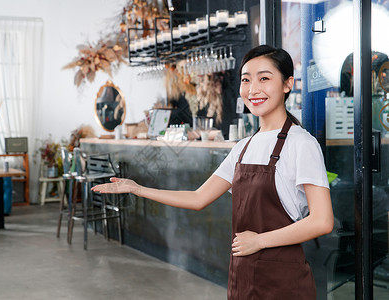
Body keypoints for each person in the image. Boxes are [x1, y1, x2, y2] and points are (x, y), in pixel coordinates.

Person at [91, 45, 334, 299]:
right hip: (242, 276)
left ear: (287, 84)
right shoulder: (242, 148)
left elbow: (322, 221)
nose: (253, 89)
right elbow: (198, 198)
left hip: (283, 282)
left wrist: (260, 241)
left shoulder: (301, 144)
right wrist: (137, 189)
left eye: (264, 78)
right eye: (246, 80)